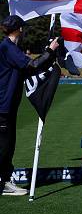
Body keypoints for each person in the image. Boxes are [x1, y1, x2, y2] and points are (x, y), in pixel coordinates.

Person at [0, 15, 59, 196]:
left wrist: (48, 53)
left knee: (8, 145)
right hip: (3, 104)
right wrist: (49, 50)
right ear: (19, 29)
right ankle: (3, 183)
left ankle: (5, 180)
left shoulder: (10, 47)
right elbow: (32, 65)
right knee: (4, 146)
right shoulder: (7, 47)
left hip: (7, 104)